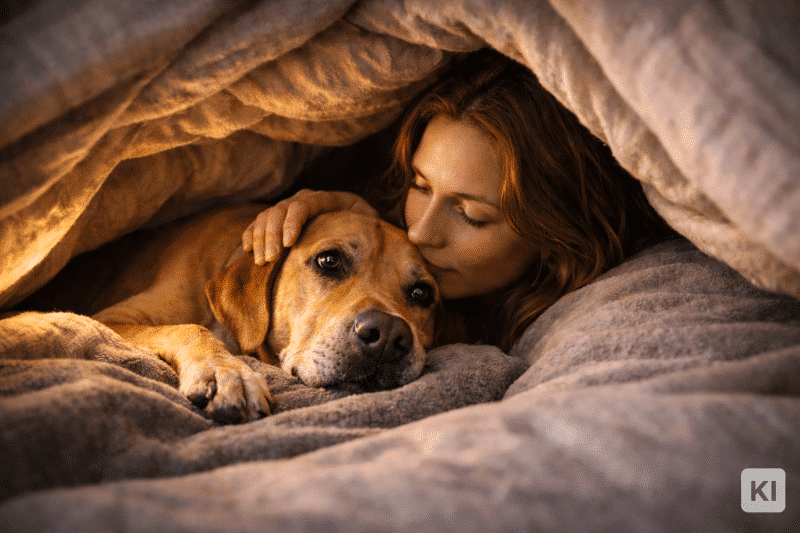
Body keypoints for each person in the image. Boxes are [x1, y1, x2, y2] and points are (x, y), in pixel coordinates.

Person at [242, 49, 674, 351]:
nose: (420, 231)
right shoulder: (369, 224)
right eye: (421, 186)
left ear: (553, 239)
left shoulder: (578, 318)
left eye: (470, 215)